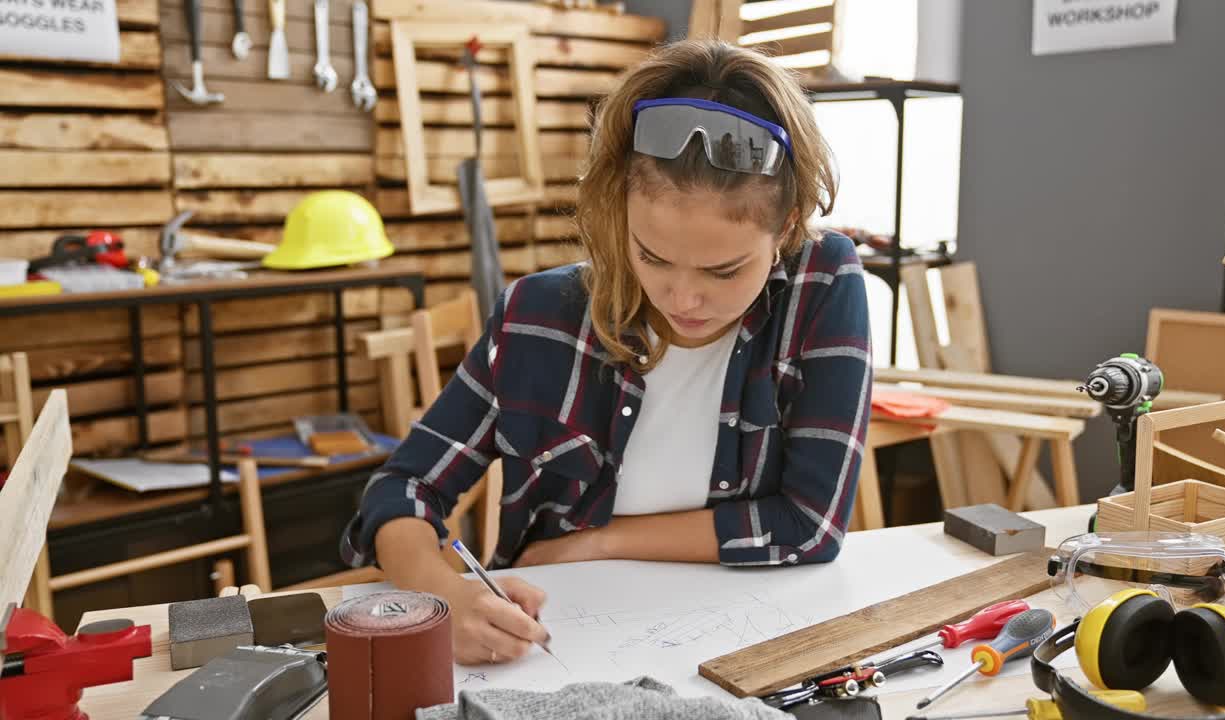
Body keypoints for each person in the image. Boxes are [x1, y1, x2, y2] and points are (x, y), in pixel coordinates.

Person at [339, 39, 872, 667]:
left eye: (724, 270)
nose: (683, 297)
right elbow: (401, 488)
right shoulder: (537, 316)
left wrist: (598, 543)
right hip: (561, 650)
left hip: (745, 648)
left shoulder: (823, 283)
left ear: (785, 230)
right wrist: (442, 595)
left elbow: (811, 523)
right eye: (652, 255)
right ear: (619, 210)